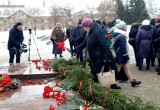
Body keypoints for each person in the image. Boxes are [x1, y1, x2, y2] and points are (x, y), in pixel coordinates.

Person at [73, 18, 121, 89]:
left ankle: (96, 88)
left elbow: (105, 45)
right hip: (95, 56)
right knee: (101, 71)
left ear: (88, 26)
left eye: (84, 27)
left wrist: (106, 58)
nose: (84, 29)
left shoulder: (98, 32)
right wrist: (76, 49)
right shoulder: (90, 32)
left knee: (97, 73)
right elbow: (84, 43)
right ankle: (111, 85)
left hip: (101, 56)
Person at [113, 21, 141, 87]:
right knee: (118, 69)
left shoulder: (118, 34)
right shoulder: (121, 36)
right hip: (121, 55)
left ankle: (132, 81)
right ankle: (113, 83)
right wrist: (126, 55)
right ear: (123, 28)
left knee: (126, 69)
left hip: (120, 55)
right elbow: (123, 47)